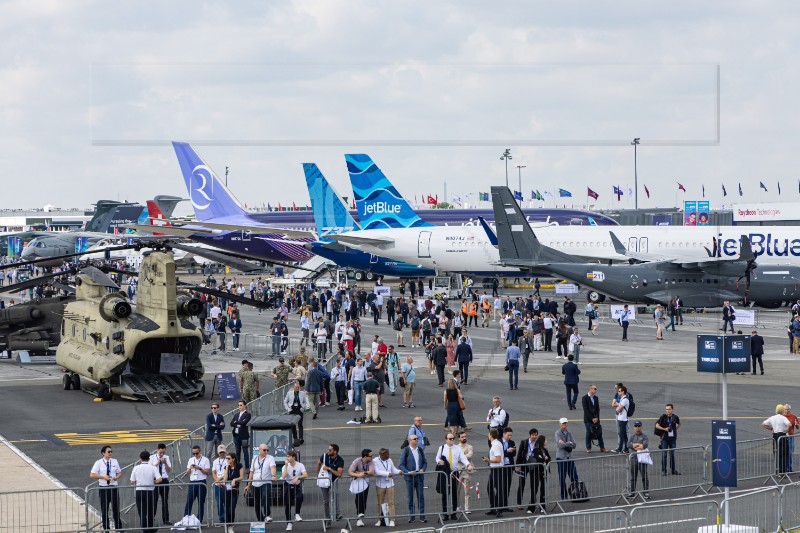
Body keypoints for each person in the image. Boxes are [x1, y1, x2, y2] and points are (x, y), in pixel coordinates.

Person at [435, 432, 472, 521]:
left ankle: (454, 513)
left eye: (453, 438)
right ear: (446, 439)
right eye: (450, 439)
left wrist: (468, 465)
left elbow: (463, 458)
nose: (452, 440)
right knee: (445, 494)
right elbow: (437, 458)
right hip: (445, 473)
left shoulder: (457, 448)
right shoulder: (442, 448)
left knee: (454, 493)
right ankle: (445, 514)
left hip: (454, 473)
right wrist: (439, 461)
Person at [90, 445, 122, 532]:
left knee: (116, 508)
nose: (110, 453)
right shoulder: (99, 463)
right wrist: (103, 477)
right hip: (104, 488)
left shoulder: (114, 461)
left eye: (111, 451)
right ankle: (106, 527)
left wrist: (117, 477)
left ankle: (119, 526)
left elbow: (119, 472)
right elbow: (92, 474)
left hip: (113, 487)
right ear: (103, 453)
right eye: (109, 452)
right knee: (105, 509)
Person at [130, 450, 162, 533]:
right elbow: (159, 479)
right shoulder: (153, 467)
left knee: (142, 511)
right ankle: (151, 528)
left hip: (139, 491)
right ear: (149, 458)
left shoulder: (136, 467)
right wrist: (153, 481)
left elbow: (132, 481)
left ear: (140, 458)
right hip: (150, 491)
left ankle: (144, 529)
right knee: (150, 511)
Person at [245, 443, 277, 524]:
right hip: (255, 483)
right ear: (259, 450)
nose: (266, 451)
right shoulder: (254, 459)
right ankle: (260, 519)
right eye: (264, 450)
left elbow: (273, 467)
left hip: (265, 481)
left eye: (267, 450)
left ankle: (267, 515)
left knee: (265, 497)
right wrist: (248, 485)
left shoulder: (270, 458)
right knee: (256, 502)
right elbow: (251, 472)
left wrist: (273, 475)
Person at [399, 435, 427, 523]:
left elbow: (425, 462)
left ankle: (422, 516)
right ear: (410, 440)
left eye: (417, 439)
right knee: (410, 497)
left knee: (421, 497)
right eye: (415, 439)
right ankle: (411, 516)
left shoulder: (420, 450)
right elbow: (400, 465)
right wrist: (408, 472)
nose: (417, 440)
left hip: (419, 476)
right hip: (410, 478)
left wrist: (423, 469)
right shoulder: (405, 450)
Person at [316, 443, 345, 524]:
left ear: (335, 452)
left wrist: (329, 468)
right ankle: (327, 518)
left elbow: (339, 474)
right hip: (324, 480)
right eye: (328, 449)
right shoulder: (324, 456)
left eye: (330, 450)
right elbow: (318, 463)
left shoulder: (340, 460)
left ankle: (337, 513)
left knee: (335, 494)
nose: (328, 451)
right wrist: (318, 475)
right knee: (326, 501)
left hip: (333, 481)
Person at [373, 447, 402, 527]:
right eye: (386, 454)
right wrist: (387, 473)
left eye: (388, 454)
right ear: (381, 455)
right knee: (379, 503)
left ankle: (392, 520)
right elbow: (377, 471)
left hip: (390, 484)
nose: (388, 456)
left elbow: (393, 469)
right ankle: (379, 519)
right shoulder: (375, 460)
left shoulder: (389, 460)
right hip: (380, 485)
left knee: (391, 502)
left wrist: (399, 471)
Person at [482, 428, 506, 518]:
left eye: (488, 434)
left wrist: (488, 460)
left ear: (491, 436)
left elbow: (498, 459)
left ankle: (499, 510)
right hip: (494, 469)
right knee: (490, 488)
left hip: (497, 469)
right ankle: (494, 507)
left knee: (498, 490)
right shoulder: (497, 443)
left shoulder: (495, 445)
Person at [762, 404, 791, 476]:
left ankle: (777, 471)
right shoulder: (783, 418)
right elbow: (789, 424)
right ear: (782, 411)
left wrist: (771, 429)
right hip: (783, 436)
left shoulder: (772, 418)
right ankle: (782, 471)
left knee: (776, 453)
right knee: (784, 454)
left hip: (775, 436)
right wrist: (786, 430)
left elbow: (763, 424)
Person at [514, 428, 539, 511]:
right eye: (533, 435)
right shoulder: (524, 442)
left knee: (533, 484)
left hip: (533, 465)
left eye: (536, 435)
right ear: (530, 435)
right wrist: (518, 465)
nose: (534, 437)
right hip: (524, 465)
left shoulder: (538, 443)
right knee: (521, 483)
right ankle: (519, 503)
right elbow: (519, 454)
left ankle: (533, 501)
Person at [282, 449, 307, 530]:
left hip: (297, 485)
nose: (287, 458)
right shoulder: (285, 466)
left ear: (293, 457)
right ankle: (289, 523)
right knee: (288, 504)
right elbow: (284, 476)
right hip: (288, 485)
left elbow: (305, 474)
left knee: (300, 496)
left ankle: (297, 513)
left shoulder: (300, 465)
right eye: (287, 457)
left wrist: (298, 477)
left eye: (288, 457)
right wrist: (286, 466)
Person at [348, 449, 374, 527]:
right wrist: (358, 475)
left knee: (363, 498)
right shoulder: (357, 461)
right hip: (357, 482)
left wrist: (362, 473)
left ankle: (361, 516)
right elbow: (349, 472)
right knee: (359, 497)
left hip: (365, 482)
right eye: (370, 456)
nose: (372, 457)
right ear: (365, 456)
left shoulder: (370, 461)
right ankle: (359, 515)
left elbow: (372, 472)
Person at [184, 445, 210, 523]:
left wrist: (199, 468)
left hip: (201, 482)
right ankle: (186, 519)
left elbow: (207, 472)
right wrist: (189, 469)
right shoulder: (191, 460)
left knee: (201, 502)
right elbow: (187, 472)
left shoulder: (205, 460)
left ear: (200, 451)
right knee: (189, 501)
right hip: (192, 482)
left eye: (196, 453)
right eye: (193, 453)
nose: (195, 455)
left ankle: (199, 520)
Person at [555, 418, 579, 500]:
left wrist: (566, 443)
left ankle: (576, 493)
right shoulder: (557, 433)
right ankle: (563, 496)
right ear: (560, 424)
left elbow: (574, 445)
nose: (564, 425)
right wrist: (569, 443)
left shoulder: (569, 433)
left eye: (565, 423)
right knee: (562, 478)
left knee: (574, 477)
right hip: (561, 458)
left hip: (569, 458)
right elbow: (560, 445)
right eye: (562, 423)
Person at [654, 403, 681, 475]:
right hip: (664, 438)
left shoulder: (675, 417)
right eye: (666, 409)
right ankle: (664, 471)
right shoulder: (663, 417)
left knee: (672, 454)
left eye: (669, 409)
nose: (668, 411)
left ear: (672, 409)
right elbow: (657, 425)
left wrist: (675, 429)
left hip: (672, 439)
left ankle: (673, 470)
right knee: (664, 454)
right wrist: (664, 429)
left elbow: (679, 423)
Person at [149, 443, 172, 525]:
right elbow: (150, 469)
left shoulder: (167, 458)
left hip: (164, 480)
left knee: (165, 500)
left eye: (163, 452)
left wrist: (165, 463)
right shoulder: (151, 458)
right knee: (154, 500)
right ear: (157, 450)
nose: (162, 454)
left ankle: (166, 519)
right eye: (160, 452)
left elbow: (169, 470)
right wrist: (157, 462)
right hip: (155, 480)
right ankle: (151, 518)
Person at [627, 421, 651, 500]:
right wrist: (636, 445)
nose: (637, 427)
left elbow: (644, 445)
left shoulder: (644, 436)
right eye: (636, 426)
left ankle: (646, 492)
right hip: (634, 459)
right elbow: (628, 445)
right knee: (633, 477)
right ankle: (632, 492)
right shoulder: (632, 436)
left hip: (642, 459)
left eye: (639, 426)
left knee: (644, 476)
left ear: (641, 427)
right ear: (634, 427)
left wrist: (634, 445)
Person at [220, 453, 244, 531]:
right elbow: (225, 478)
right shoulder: (226, 467)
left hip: (234, 490)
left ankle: (231, 525)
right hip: (226, 490)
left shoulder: (239, 465)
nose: (227, 460)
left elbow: (241, 477)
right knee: (226, 508)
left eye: (229, 458)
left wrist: (235, 479)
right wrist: (227, 468)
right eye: (227, 459)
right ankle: (228, 524)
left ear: (233, 459)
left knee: (232, 508)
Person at [582, 384, 606, 453]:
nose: (595, 390)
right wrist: (592, 418)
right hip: (588, 419)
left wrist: (597, 417)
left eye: (596, 389)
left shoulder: (596, 398)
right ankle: (588, 448)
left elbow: (597, 409)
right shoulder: (585, 398)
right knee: (589, 433)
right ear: (590, 389)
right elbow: (585, 409)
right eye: (594, 389)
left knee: (599, 432)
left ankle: (602, 447)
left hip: (596, 419)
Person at [230, 400, 252, 471]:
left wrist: (236, 422)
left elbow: (244, 423)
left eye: (241, 405)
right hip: (236, 435)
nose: (239, 407)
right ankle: (237, 465)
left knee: (245, 451)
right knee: (237, 451)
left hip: (244, 435)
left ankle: (247, 467)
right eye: (239, 405)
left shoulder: (247, 414)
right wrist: (238, 423)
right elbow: (231, 423)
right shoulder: (236, 415)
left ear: (244, 406)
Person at [456, 431, 475, 514]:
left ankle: (467, 508)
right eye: (462, 437)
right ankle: (457, 506)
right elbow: (455, 458)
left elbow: (470, 456)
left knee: (467, 491)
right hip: (458, 471)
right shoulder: (455, 447)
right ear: (459, 438)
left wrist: (460, 457)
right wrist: (462, 457)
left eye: (465, 436)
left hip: (467, 471)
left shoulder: (470, 447)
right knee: (457, 491)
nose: (464, 438)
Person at [211, 445, 229, 525]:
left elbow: (227, 472)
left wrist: (221, 480)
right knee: (219, 502)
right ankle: (221, 518)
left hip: (226, 483)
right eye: (220, 452)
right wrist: (217, 481)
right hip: (218, 484)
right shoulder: (215, 461)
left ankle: (228, 518)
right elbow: (214, 473)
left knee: (227, 502)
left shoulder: (228, 460)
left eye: (223, 452)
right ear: (218, 453)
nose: (222, 453)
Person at [612, 384, 630, 453]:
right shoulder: (622, 399)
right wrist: (618, 406)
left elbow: (618, 410)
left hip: (623, 419)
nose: (618, 392)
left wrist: (618, 405)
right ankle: (626, 448)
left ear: (623, 392)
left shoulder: (625, 400)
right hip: (621, 418)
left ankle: (620, 448)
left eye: (619, 391)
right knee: (624, 434)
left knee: (622, 434)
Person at [784, 404, 799, 472]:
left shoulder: (794, 416)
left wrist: (796, 425)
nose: (787, 411)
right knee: (784, 453)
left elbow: (798, 427)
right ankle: (783, 468)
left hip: (791, 437)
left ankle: (789, 468)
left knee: (790, 453)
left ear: (790, 409)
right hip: (783, 437)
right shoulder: (782, 416)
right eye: (786, 409)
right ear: (784, 410)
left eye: (788, 409)